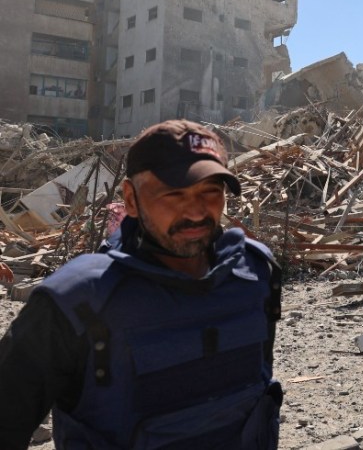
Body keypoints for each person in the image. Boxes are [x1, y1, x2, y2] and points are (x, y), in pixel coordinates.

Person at [0, 120, 283, 449]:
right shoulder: (74, 302)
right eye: (173, 194)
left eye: (210, 191)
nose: (195, 211)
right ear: (130, 199)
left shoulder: (254, 273)